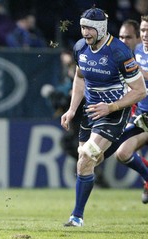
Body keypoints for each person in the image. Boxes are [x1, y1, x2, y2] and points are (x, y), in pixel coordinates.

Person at [60, 7, 146, 227]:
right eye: (82, 27)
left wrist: (111, 107)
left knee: (87, 157)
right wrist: (71, 110)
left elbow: (140, 91)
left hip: (113, 113)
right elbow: (79, 79)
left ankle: (76, 217)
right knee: (85, 163)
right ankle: (128, 136)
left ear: (100, 28)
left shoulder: (119, 52)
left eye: (89, 28)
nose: (85, 32)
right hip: (91, 112)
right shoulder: (80, 47)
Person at [115, 15, 148, 204]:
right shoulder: (137, 51)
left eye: (147, 31)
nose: (145, 35)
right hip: (143, 118)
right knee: (122, 153)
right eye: (143, 30)